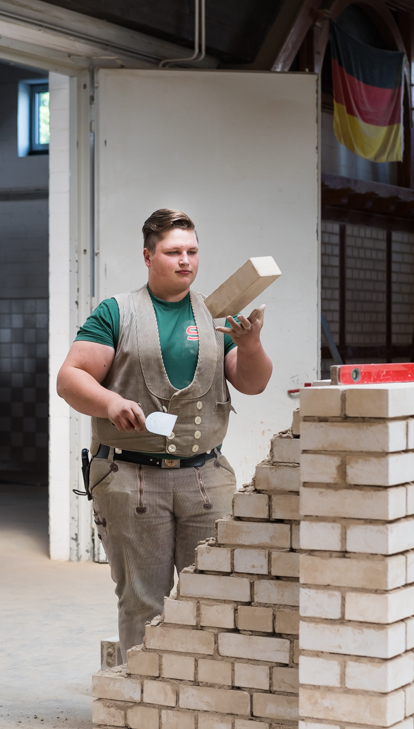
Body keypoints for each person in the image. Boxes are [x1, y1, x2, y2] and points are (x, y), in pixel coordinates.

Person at [57, 208, 273, 659]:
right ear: (147, 256)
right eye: (173, 252)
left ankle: (201, 698)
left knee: (214, 594)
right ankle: (144, 700)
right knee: (143, 599)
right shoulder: (117, 313)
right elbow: (70, 377)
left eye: (192, 251)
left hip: (205, 477)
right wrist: (110, 403)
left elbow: (252, 382)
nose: (185, 261)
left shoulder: (216, 315)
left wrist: (250, 345)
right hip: (132, 478)